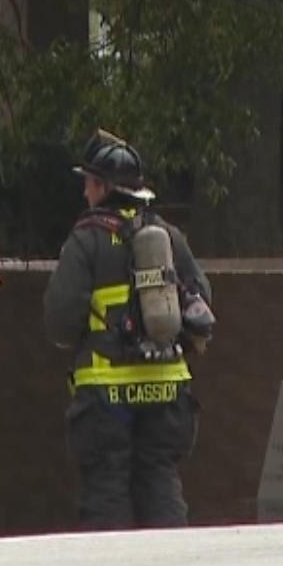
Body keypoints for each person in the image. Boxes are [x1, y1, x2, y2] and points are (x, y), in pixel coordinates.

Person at [42, 130, 215, 530]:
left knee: (107, 489)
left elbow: (61, 320)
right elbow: (201, 297)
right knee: (161, 482)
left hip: (106, 391)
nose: (85, 193)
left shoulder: (87, 239)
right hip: (169, 388)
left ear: (101, 186)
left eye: (88, 183)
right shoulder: (168, 236)